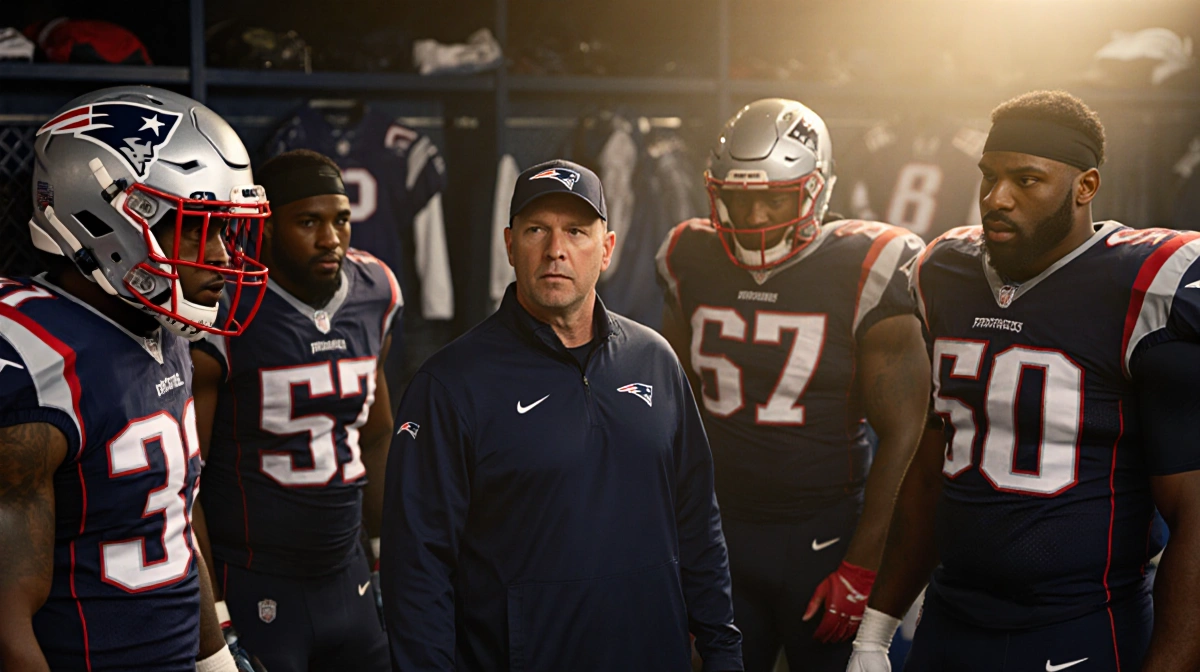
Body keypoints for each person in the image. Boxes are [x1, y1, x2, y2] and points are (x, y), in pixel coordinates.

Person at [848, 90, 1200, 672]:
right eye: (989, 177)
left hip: (1080, 628)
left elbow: (1193, 514)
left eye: (1027, 180)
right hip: (951, 618)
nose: (996, 199)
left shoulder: (1144, 284)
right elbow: (936, 461)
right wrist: (876, 632)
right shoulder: (945, 270)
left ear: (1085, 186)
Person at [381, 159, 743, 672]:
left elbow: (698, 522)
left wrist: (723, 650)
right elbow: (416, 565)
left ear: (608, 248)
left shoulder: (655, 359)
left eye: (576, 231)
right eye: (537, 231)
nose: (556, 250)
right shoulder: (450, 383)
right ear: (509, 245)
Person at [0, 86, 269, 671]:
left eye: (223, 228)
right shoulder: (32, 356)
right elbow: (5, 620)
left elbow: (171, 521)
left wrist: (215, 660)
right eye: (196, 228)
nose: (222, 255)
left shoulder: (162, 327)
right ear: (103, 217)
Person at [655, 98, 930, 671]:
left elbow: (907, 433)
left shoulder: (869, 264)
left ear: (815, 191)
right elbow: (671, 409)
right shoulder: (689, 256)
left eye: (774, 197)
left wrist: (862, 567)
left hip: (823, 537)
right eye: (739, 196)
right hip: (719, 529)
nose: (755, 217)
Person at [190, 149, 401, 672]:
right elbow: (185, 480)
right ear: (263, 228)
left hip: (347, 570)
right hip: (257, 579)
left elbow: (376, 435)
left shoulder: (375, 290)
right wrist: (213, 614)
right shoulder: (223, 305)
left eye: (341, 220)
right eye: (308, 221)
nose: (331, 238)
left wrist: (383, 553)